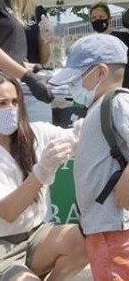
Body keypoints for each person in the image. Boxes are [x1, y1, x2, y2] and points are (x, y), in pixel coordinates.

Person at [0, 71, 88, 280]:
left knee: (88, 240)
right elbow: (7, 211)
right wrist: (41, 171)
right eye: (1, 103)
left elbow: (78, 138)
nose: (11, 109)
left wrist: (89, 126)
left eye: (15, 101)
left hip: (35, 234)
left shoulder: (37, 134)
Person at [49, 34, 129, 280]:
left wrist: (125, 183)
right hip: (102, 228)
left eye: (78, 77)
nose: (73, 85)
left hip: (114, 228)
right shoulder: (100, 106)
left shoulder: (118, 102)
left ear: (101, 73)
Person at [89, 2, 129, 88]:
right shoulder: (90, 44)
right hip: (103, 93)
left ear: (109, 19)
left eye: (101, 17)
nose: (97, 20)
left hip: (125, 91)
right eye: (94, 18)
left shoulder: (124, 38)